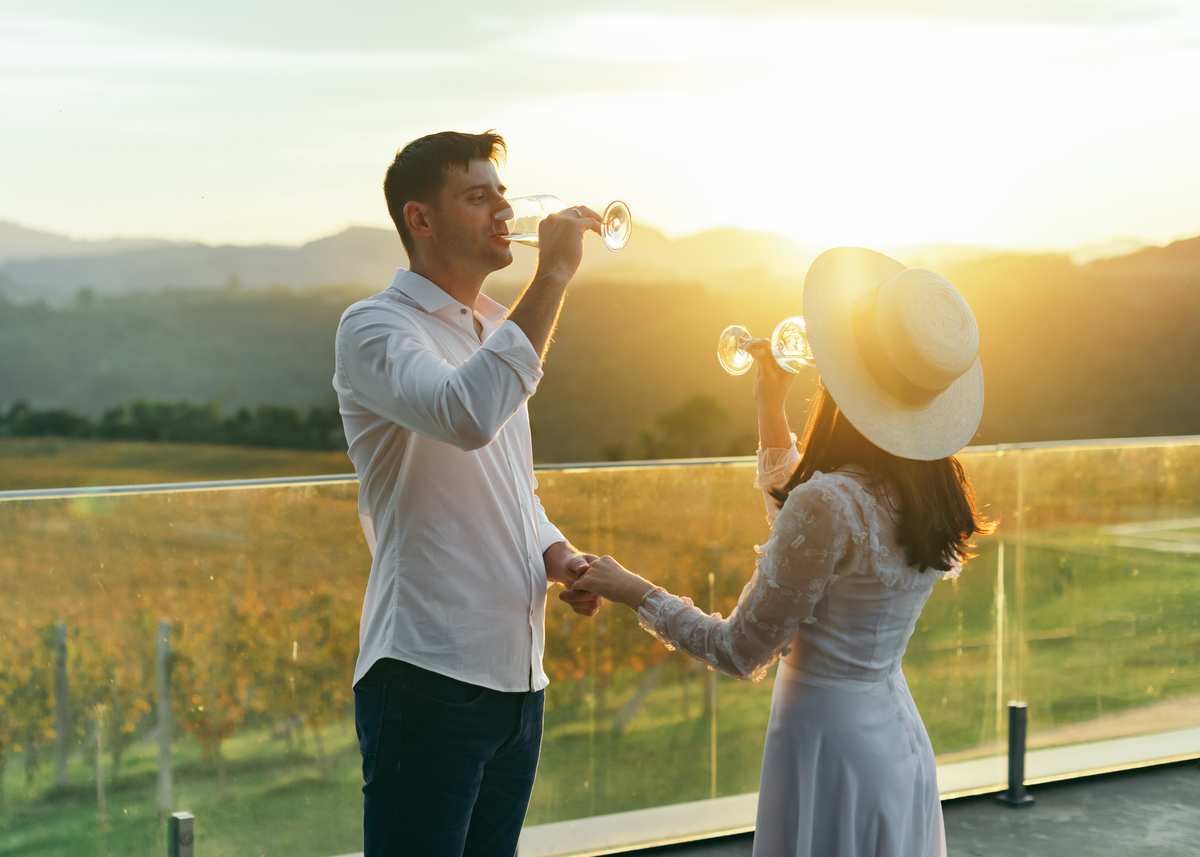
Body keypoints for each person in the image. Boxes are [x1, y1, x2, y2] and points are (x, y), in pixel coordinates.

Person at [572, 247, 992, 857]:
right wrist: (770, 405)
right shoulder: (929, 490)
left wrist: (629, 587)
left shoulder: (830, 503)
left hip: (827, 744)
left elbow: (738, 650)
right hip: (894, 739)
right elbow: (808, 533)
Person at [332, 130, 606, 857]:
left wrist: (555, 551)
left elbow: (511, 484)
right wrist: (551, 277)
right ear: (421, 220)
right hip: (427, 674)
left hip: (518, 675)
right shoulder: (375, 327)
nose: (502, 210)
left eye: (502, 194)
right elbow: (466, 415)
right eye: (477, 196)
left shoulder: (492, 326)